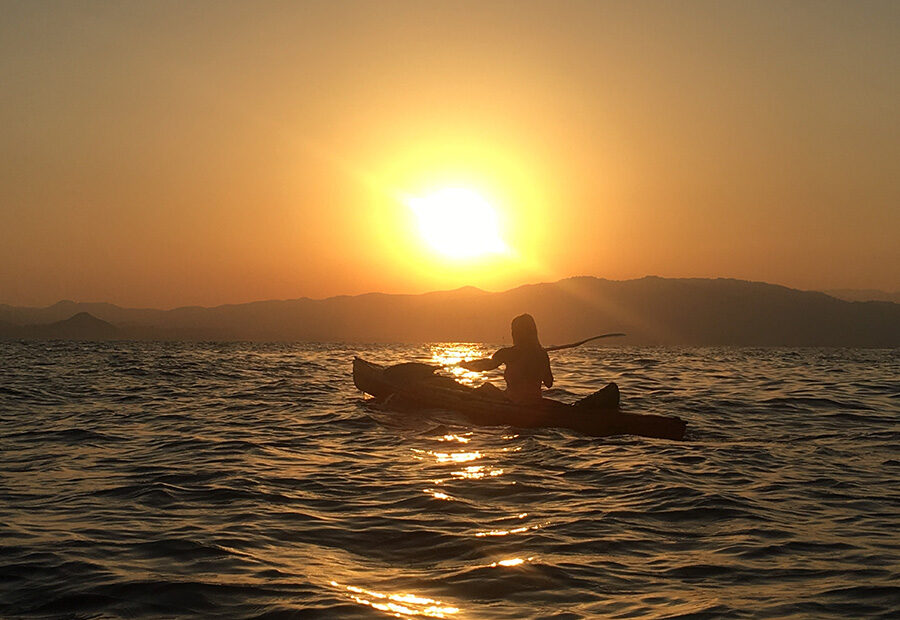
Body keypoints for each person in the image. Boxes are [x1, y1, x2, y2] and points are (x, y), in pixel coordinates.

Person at [460, 313, 553, 404]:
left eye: (513, 330)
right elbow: (549, 383)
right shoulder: (542, 354)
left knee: (486, 387)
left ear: (516, 333)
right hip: (535, 401)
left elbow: (486, 365)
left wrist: (466, 366)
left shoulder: (508, 353)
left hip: (514, 401)